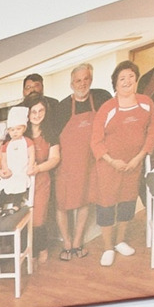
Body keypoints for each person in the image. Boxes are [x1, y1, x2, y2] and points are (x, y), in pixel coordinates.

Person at [89, 61, 154, 265]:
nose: (127, 81)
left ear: (136, 80)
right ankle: (108, 247)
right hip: (109, 167)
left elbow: (152, 131)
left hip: (133, 166)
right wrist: (112, 161)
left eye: (131, 76)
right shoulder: (107, 108)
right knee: (107, 207)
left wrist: (139, 157)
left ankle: (120, 242)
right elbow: (96, 140)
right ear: (115, 84)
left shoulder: (146, 103)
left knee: (127, 204)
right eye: (122, 78)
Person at [52, 61, 111, 261]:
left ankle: (77, 242)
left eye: (86, 79)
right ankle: (66, 243)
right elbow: (53, 137)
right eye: (78, 80)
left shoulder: (101, 98)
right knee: (62, 204)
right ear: (71, 84)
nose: (82, 83)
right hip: (66, 165)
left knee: (85, 201)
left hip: (89, 164)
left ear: (91, 80)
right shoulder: (62, 107)